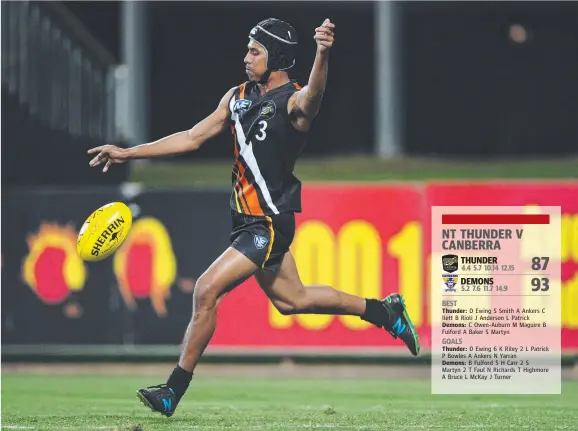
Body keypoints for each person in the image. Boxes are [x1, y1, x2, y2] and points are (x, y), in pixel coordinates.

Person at [87, 17, 420, 418]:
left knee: (206, 290)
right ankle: (385, 312)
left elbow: (314, 94)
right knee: (292, 300)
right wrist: (128, 152)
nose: (246, 57)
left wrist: (323, 52)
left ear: (276, 57)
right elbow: (192, 137)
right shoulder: (238, 96)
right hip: (246, 222)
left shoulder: (293, 103)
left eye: (255, 51)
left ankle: (172, 391)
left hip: (269, 223)